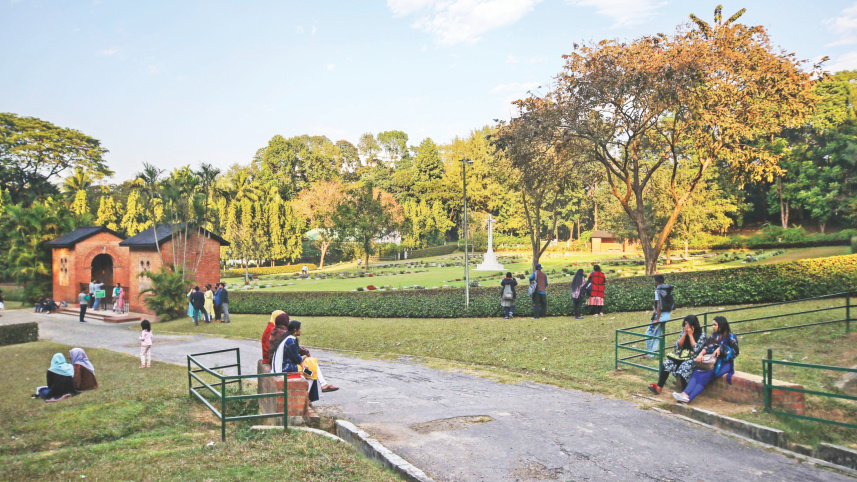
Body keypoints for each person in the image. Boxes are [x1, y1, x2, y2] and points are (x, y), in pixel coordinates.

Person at [673, 316, 739, 404]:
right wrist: (701, 354)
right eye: (713, 325)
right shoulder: (714, 335)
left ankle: (688, 398)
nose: (713, 327)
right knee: (697, 372)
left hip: (723, 363)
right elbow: (707, 346)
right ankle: (684, 393)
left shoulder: (731, 337)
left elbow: (735, 352)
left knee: (704, 376)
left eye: (715, 325)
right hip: (712, 360)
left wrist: (722, 349)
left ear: (721, 325)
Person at [649, 315, 706, 394]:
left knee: (684, 367)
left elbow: (696, 349)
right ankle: (659, 387)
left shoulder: (701, 334)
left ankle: (684, 393)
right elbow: (678, 346)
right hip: (681, 356)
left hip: (692, 357)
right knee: (667, 364)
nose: (686, 326)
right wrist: (685, 334)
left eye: (687, 324)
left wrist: (690, 335)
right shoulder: (683, 332)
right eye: (685, 324)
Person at [646, 275, 675, 357]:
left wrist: (657, 318)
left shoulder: (658, 291)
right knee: (657, 334)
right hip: (667, 315)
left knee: (649, 333)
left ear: (657, 282)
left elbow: (659, 305)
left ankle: (650, 353)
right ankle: (653, 352)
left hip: (660, 316)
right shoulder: (668, 290)